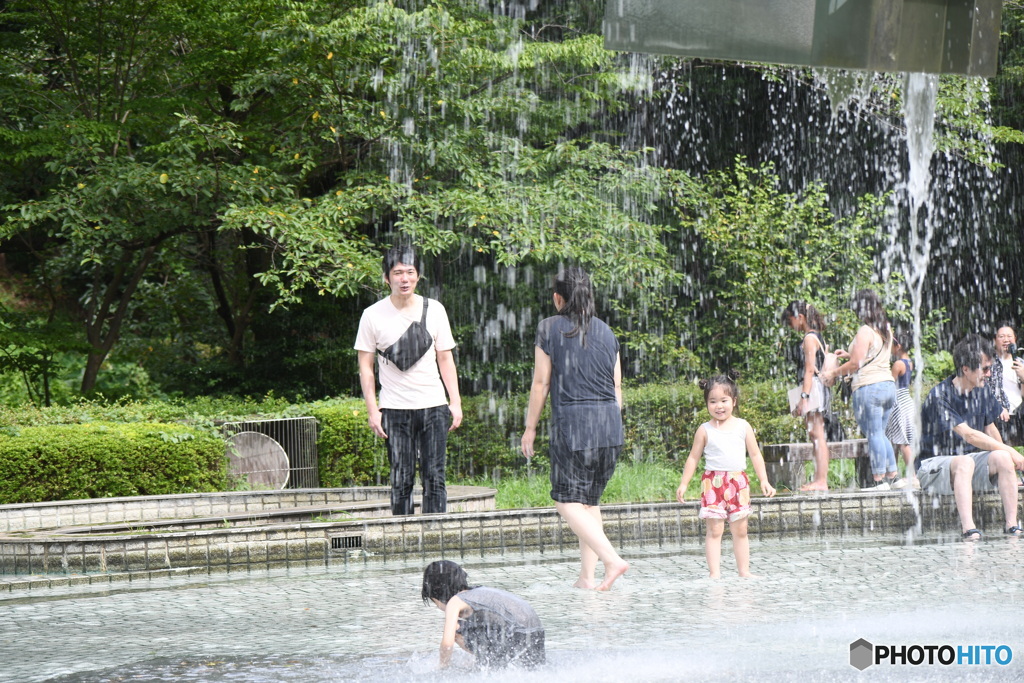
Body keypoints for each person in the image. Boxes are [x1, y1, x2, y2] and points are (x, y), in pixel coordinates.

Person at [520, 266, 629, 591]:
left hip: (574, 426)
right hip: (610, 426)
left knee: (565, 501)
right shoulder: (607, 332)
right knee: (587, 504)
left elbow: (541, 384)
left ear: (558, 298)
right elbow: (617, 386)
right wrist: (608, 420)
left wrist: (530, 428)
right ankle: (587, 578)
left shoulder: (549, 327)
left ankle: (612, 560)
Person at [354, 245, 462, 515]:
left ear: (418, 275)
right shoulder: (372, 315)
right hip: (394, 408)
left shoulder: (434, 309)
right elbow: (366, 367)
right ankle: (402, 542)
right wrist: (372, 410)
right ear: (386, 278)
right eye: (398, 272)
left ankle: (436, 538)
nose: (404, 278)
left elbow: (445, 358)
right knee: (401, 480)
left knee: (434, 477)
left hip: (433, 406)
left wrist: (455, 402)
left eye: (410, 272)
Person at [917, 334, 1024, 540]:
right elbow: (969, 435)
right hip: (932, 468)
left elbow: (990, 428)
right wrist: (1013, 451)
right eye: (985, 369)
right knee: (965, 462)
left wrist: (1009, 461)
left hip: (968, 469)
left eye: (990, 368)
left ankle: (1012, 524)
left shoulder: (982, 391)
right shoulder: (939, 395)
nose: (989, 374)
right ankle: (969, 529)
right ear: (965, 369)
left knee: (1001, 458)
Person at [676, 375, 776, 578]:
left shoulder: (743, 426)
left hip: (738, 483)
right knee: (715, 531)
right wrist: (684, 483)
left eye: (724, 401)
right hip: (713, 484)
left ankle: (744, 571)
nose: (719, 406)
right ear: (706, 404)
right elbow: (693, 458)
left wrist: (764, 480)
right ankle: (715, 573)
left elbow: (755, 454)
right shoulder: (704, 430)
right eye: (713, 401)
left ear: (734, 402)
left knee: (741, 531)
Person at [821, 289, 903, 490]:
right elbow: (867, 356)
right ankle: (894, 476)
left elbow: (857, 364)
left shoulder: (865, 331)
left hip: (869, 387)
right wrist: (846, 355)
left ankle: (878, 480)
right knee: (880, 433)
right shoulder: (885, 329)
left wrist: (833, 373)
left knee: (873, 434)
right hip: (887, 386)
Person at [422, 560, 545, 669]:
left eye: (435, 603)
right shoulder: (479, 592)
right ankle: (492, 664)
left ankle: (489, 666)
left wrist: (442, 667)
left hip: (517, 632)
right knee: (533, 668)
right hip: (536, 631)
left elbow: (447, 643)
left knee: (456, 630)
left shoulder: (455, 601)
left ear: (437, 594)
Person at [782, 301, 833, 492]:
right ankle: (819, 479)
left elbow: (809, 370)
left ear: (800, 318)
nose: (790, 325)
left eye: (790, 321)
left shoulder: (810, 339)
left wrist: (803, 397)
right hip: (815, 388)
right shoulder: (814, 336)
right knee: (815, 434)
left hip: (814, 389)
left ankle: (821, 481)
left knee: (818, 435)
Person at [884, 333, 919, 488]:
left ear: (898, 346)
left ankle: (912, 475)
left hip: (898, 401)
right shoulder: (909, 362)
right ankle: (895, 473)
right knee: (900, 440)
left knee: (902, 441)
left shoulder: (898, 364)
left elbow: (889, 384)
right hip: (907, 400)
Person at [990, 322, 1024, 447]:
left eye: (1009, 336)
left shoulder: (1021, 363)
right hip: (996, 414)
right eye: (1001, 336)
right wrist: (996, 406)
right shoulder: (988, 363)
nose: (1006, 340)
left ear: (1015, 339)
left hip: (1018, 415)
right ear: (995, 340)